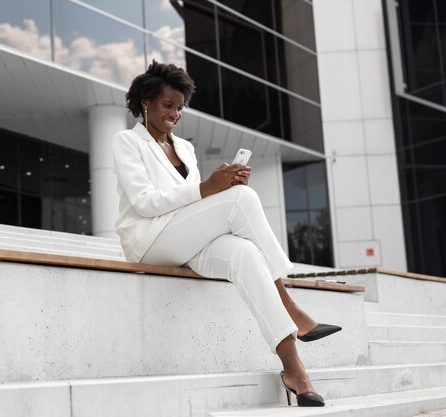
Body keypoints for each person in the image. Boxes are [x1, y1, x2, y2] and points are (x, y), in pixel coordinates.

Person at [111, 61, 341, 407]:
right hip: (149, 241)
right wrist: (208, 189)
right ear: (145, 101)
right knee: (242, 200)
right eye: (167, 105)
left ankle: (295, 370)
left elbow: (194, 203)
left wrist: (220, 188)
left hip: (184, 241)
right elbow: (144, 203)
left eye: (179, 107)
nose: (174, 114)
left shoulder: (185, 148)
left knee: (244, 253)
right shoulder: (127, 141)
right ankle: (291, 307)